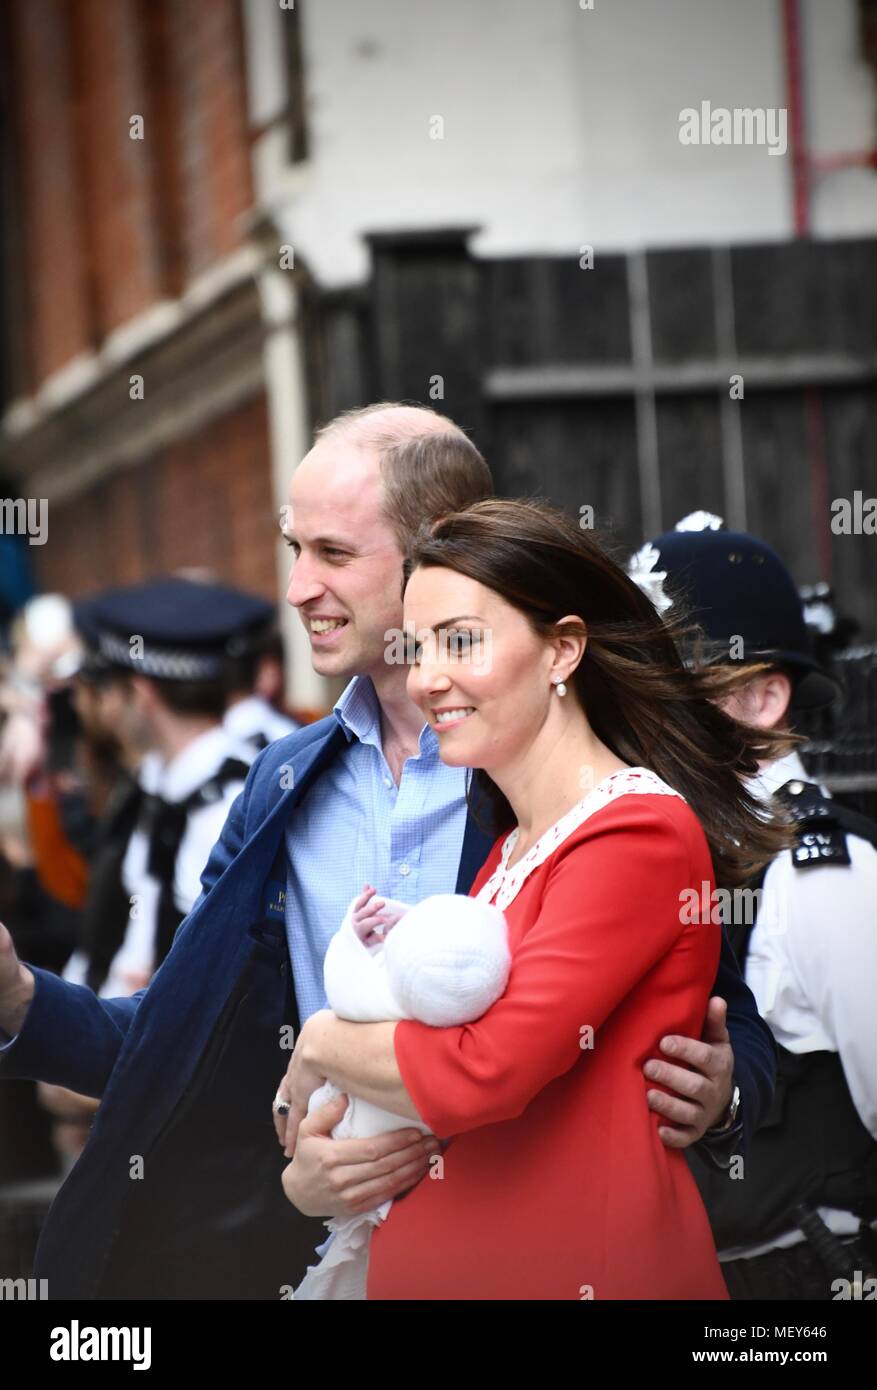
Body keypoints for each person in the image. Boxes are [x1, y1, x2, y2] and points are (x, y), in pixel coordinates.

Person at [0, 404, 774, 1299]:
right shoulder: (281, 782)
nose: (293, 588)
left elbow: (719, 1023)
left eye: (332, 553)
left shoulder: (580, 788)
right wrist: (23, 1002)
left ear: (440, 550)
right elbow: (185, 1040)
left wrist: (726, 1097)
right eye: (293, 549)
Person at [275, 497, 793, 1299]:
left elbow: (485, 1072)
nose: (427, 677)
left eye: (462, 641)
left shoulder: (635, 831)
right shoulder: (517, 843)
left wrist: (318, 1040)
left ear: (562, 651)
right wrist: (319, 1171)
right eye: (418, 647)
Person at [642, 516, 877, 1299]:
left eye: (666, 688)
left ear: (759, 696)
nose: (633, 717)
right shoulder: (668, 851)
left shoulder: (820, 877)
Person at [294, 885, 510, 1299]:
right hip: (447, 1167)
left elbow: (342, 977)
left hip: (355, 1137)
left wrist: (350, 932)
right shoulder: (471, 998)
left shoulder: (378, 997)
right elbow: (459, 939)